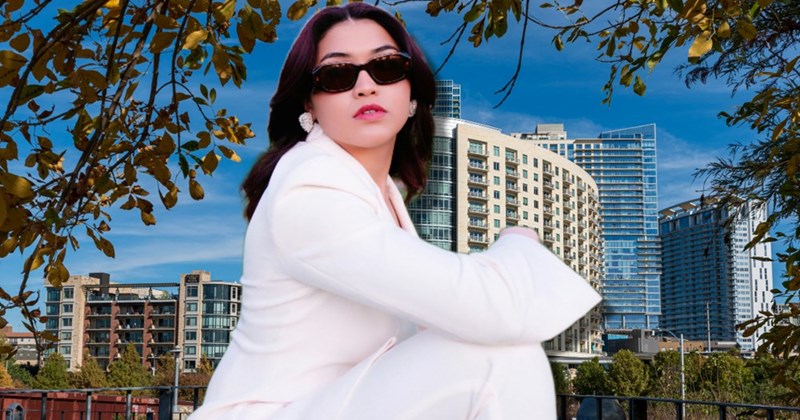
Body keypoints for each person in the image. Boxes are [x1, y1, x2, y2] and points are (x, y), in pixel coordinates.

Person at [189, 3, 601, 419]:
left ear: (411, 94)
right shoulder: (309, 188)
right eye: (337, 75)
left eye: (386, 67)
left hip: (336, 405)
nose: (365, 86)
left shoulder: (379, 193)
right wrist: (518, 243)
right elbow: (490, 309)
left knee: (497, 349)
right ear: (309, 105)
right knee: (498, 355)